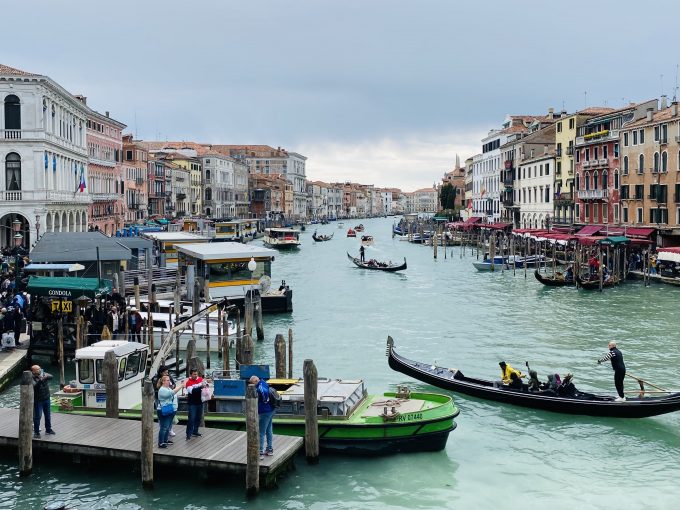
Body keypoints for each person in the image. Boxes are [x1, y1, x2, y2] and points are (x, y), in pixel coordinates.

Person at [249, 375, 275, 459]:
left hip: (265, 411)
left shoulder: (259, 387)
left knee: (261, 432)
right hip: (271, 410)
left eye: (252, 383)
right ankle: (270, 449)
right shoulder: (263, 382)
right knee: (269, 430)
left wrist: (263, 400)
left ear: (256, 381)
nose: (252, 385)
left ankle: (260, 452)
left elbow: (264, 394)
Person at [157, 375, 183, 448]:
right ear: (163, 381)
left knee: (167, 426)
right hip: (162, 410)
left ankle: (165, 440)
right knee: (164, 427)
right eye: (167, 380)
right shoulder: (162, 389)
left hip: (169, 408)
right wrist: (181, 386)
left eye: (169, 380)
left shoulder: (167, 388)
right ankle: (161, 442)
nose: (169, 382)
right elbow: (172, 393)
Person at [152, 365, 177, 437]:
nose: (167, 374)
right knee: (162, 414)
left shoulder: (169, 377)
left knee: (170, 413)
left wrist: (172, 387)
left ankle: (170, 429)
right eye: (165, 372)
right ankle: (162, 429)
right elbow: (156, 389)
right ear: (161, 372)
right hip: (160, 399)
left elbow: (174, 384)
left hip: (169, 398)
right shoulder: (156, 378)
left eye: (167, 372)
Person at [31, 364, 55, 438]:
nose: (39, 370)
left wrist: (46, 377)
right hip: (38, 400)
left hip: (46, 398)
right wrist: (40, 380)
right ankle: (36, 432)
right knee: (37, 416)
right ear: (33, 371)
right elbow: (34, 386)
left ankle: (48, 429)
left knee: (48, 415)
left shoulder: (43, 373)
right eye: (37, 369)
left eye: (39, 368)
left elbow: (51, 376)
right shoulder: (31, 377)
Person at [185, 368, 209, 440]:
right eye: (194, 374)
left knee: (198, 418)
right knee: (191, 419)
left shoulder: (200, 379)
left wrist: (206, 384)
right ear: (191, 374)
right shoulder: (188, 383)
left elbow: (206, 385)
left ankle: (195, 431)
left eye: (196, 374)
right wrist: (200, 386)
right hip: (192, 404)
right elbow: (193, 391)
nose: (196, 375)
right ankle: (188, 434)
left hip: (200, 402)